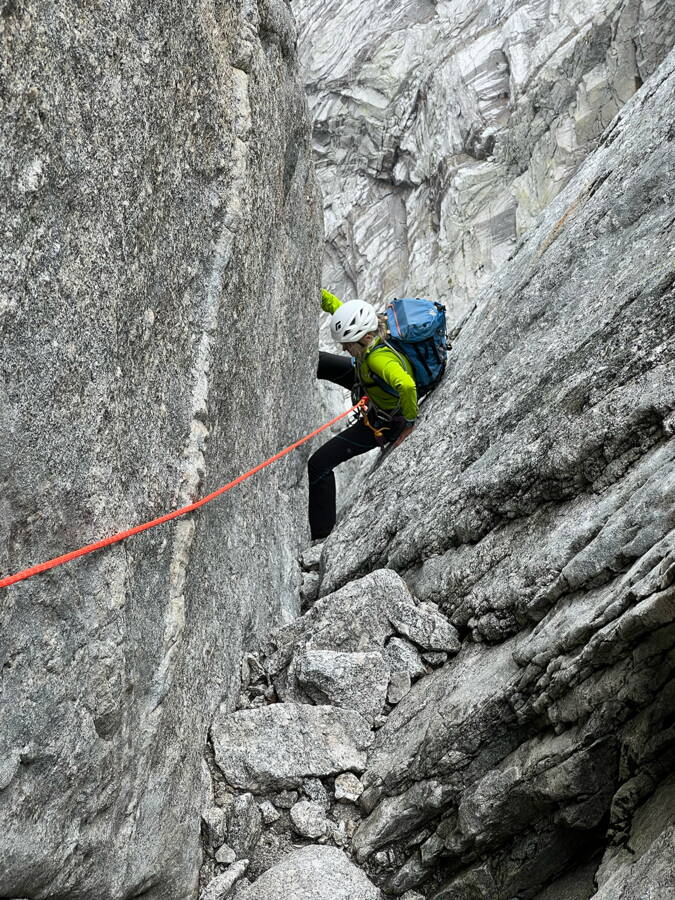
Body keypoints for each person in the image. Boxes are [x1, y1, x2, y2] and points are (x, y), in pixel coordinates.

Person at [308, 288, 418, 541]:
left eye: (348, 344)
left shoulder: (380, 360)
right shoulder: (367, 332)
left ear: (365, 338)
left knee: (319, 464)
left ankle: (321, 538)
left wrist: (409, 423)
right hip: (366, 378)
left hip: (384, 422)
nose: (345, 348)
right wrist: (314, 290)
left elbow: (407, 385)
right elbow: (339, 308)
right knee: (320, 361)